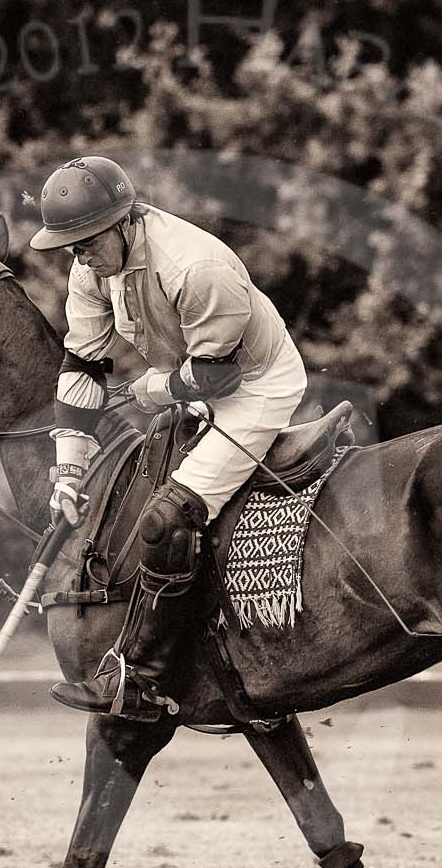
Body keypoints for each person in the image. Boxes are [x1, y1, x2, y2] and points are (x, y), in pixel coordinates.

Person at [28, 155, 309, 720]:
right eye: (70, 246)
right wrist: (69, 472)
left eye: (88, 241)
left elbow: (218, 378)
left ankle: (143, 675)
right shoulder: (89, 271)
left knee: (165, 518)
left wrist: (147, 390)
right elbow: (81, 367)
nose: (80, 256)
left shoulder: (196, 267)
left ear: (125, 222)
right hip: (191, 376)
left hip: (255, 384)